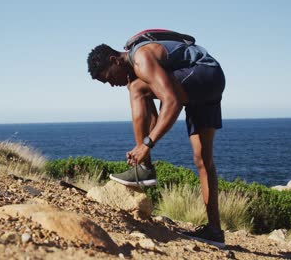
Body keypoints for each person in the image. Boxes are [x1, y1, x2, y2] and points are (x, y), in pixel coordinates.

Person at [87, 31, 226, 248]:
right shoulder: (140, 60)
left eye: (108, 77)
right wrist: (146, 140)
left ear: (114, 60)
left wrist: (146, 145)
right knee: (203, 160)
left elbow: (172, 102)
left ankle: (144, 168)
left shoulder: (141, 58)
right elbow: (154, 115)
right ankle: (214, 232)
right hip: (212, 78)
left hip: (202, 73)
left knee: (136, 88)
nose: (110, 84)